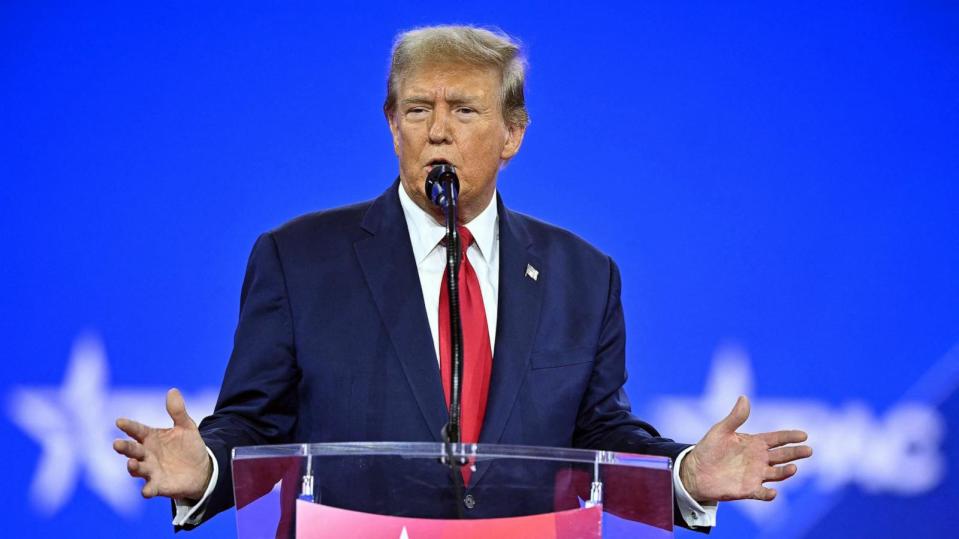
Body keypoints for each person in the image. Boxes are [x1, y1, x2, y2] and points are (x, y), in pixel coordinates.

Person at [113, 25, 811, 532]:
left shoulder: (582, 275)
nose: (437, 130)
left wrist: (683, 474)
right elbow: (254, 423)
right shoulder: (299, 259)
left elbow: (597, 436)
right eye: (418, 109)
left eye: (464, 110)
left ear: (513, 133)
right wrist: (204, 466)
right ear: (392, 126)